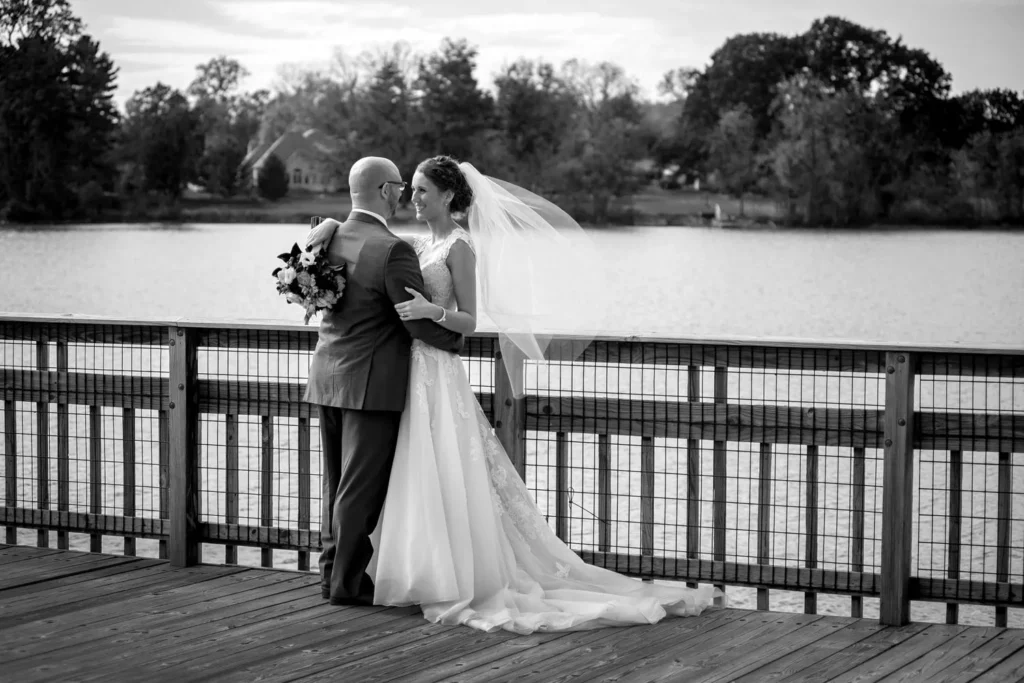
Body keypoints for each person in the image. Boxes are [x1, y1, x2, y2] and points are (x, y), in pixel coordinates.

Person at [367, 155, 718, 634]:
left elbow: (470, 321)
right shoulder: (421, 242)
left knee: (447, 465)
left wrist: (433, 309)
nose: (414, 197)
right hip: (414, 368)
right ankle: (421, 570)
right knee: (420, 468)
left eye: (423, 190)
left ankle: (464, 576)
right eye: (412, 190)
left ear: (448, 196)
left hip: (440, 370)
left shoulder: (461, 246)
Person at [303, 156, 463, 606]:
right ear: (386, 191)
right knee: (358, 491)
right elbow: (413, 319)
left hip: (328, 376)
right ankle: (346, 584)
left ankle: (330, 575)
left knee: (335, 483)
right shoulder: (392, 250)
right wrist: (452, 344)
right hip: (371, 384)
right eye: (399, 187)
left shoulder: (326, 237)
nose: (405, 195)